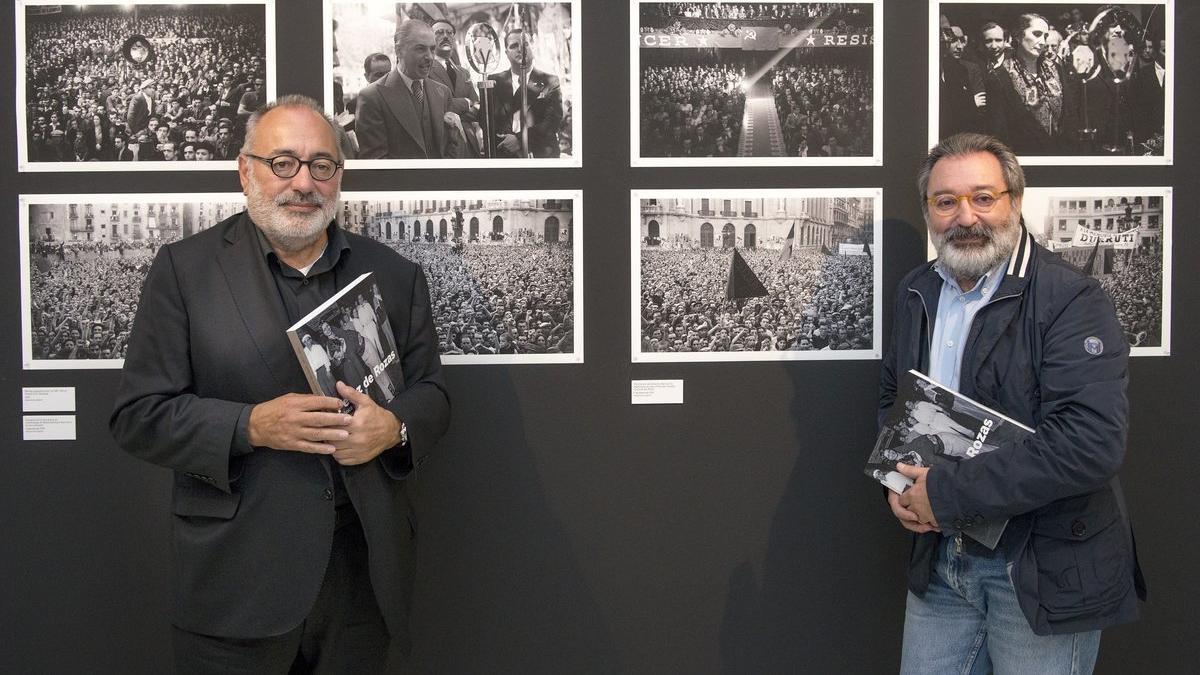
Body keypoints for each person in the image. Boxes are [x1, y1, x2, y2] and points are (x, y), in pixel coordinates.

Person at [109, 94, 450, 672]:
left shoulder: (393, 273)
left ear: (339, 176)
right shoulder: (184, 270)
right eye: (283, 162)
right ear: (246, 171)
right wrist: (250, 426)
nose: (304, 182)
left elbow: (433, 396)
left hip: (362, 577)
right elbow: (138, 416)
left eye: (322, 165)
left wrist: (394, 429)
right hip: (238, 581)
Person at [880, 133, 1145, 673]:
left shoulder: (1071, 298)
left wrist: (947, 495)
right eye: (946, 201)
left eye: (984, 197)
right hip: (941, 563)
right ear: (929, 211)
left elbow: (1088, 443)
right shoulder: (915, 291)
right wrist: (901, 480)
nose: (966, 216)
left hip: (1038, 567)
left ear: (1015, 202)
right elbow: (895, 396)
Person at [355, 20, 464, 159]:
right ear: (398, 50)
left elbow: (450, 148)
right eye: (420, 49)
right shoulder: (372, 97)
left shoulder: (442, 92)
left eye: (432, 49)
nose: (429, 57)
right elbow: (376, 165)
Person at [984, 13, 1073, 154]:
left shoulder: (1056, 69)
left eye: (1045, 36)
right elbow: (998, 133)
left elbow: (1068, 116)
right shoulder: (999, 77)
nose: (1043, 42)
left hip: (1060, 154)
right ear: (1018, 36)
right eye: (1037, 34)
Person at [488, 29, 563, 158]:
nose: (520, 49)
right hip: (505, 156)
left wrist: (520, 140)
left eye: (525, 43)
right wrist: (506, 141)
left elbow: (552, 121)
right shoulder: (494, 82)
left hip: (540, 156)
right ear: (506, 53)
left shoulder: (550, 81)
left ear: (532, 46)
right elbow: (487, 119)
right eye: (514, 46)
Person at [429, 20, 482, 158]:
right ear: (430, 38)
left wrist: (450, 109)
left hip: (469, 144)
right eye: (439, 32)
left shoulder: (463, 72)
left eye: (449, 33)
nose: (445, 36)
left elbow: (477, 108)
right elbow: (430, 106)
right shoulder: (424, 70)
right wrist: (465, 103)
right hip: (442, 146)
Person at [939, 25, 986, 134]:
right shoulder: (934, 68)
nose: (960, 46)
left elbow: (981, 108)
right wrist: (970, 103)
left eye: (962, 40)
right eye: (954, 40)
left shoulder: (970, 69)